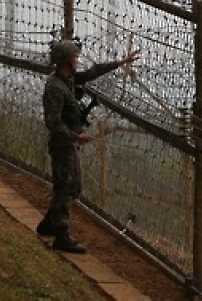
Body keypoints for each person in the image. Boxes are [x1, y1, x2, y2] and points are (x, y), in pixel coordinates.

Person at [36, 39, 140, 254]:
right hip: (62, 144)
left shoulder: (68, 80)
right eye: (74, 57)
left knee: (71, 186)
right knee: (67, 187)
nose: (77, 61)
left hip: (68, 143)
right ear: (66, 61)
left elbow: (93, 72)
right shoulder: (56, 88)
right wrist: (76, 137)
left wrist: (120, 62)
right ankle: (61, 235)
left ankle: (49, 224)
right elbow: (53, 123)